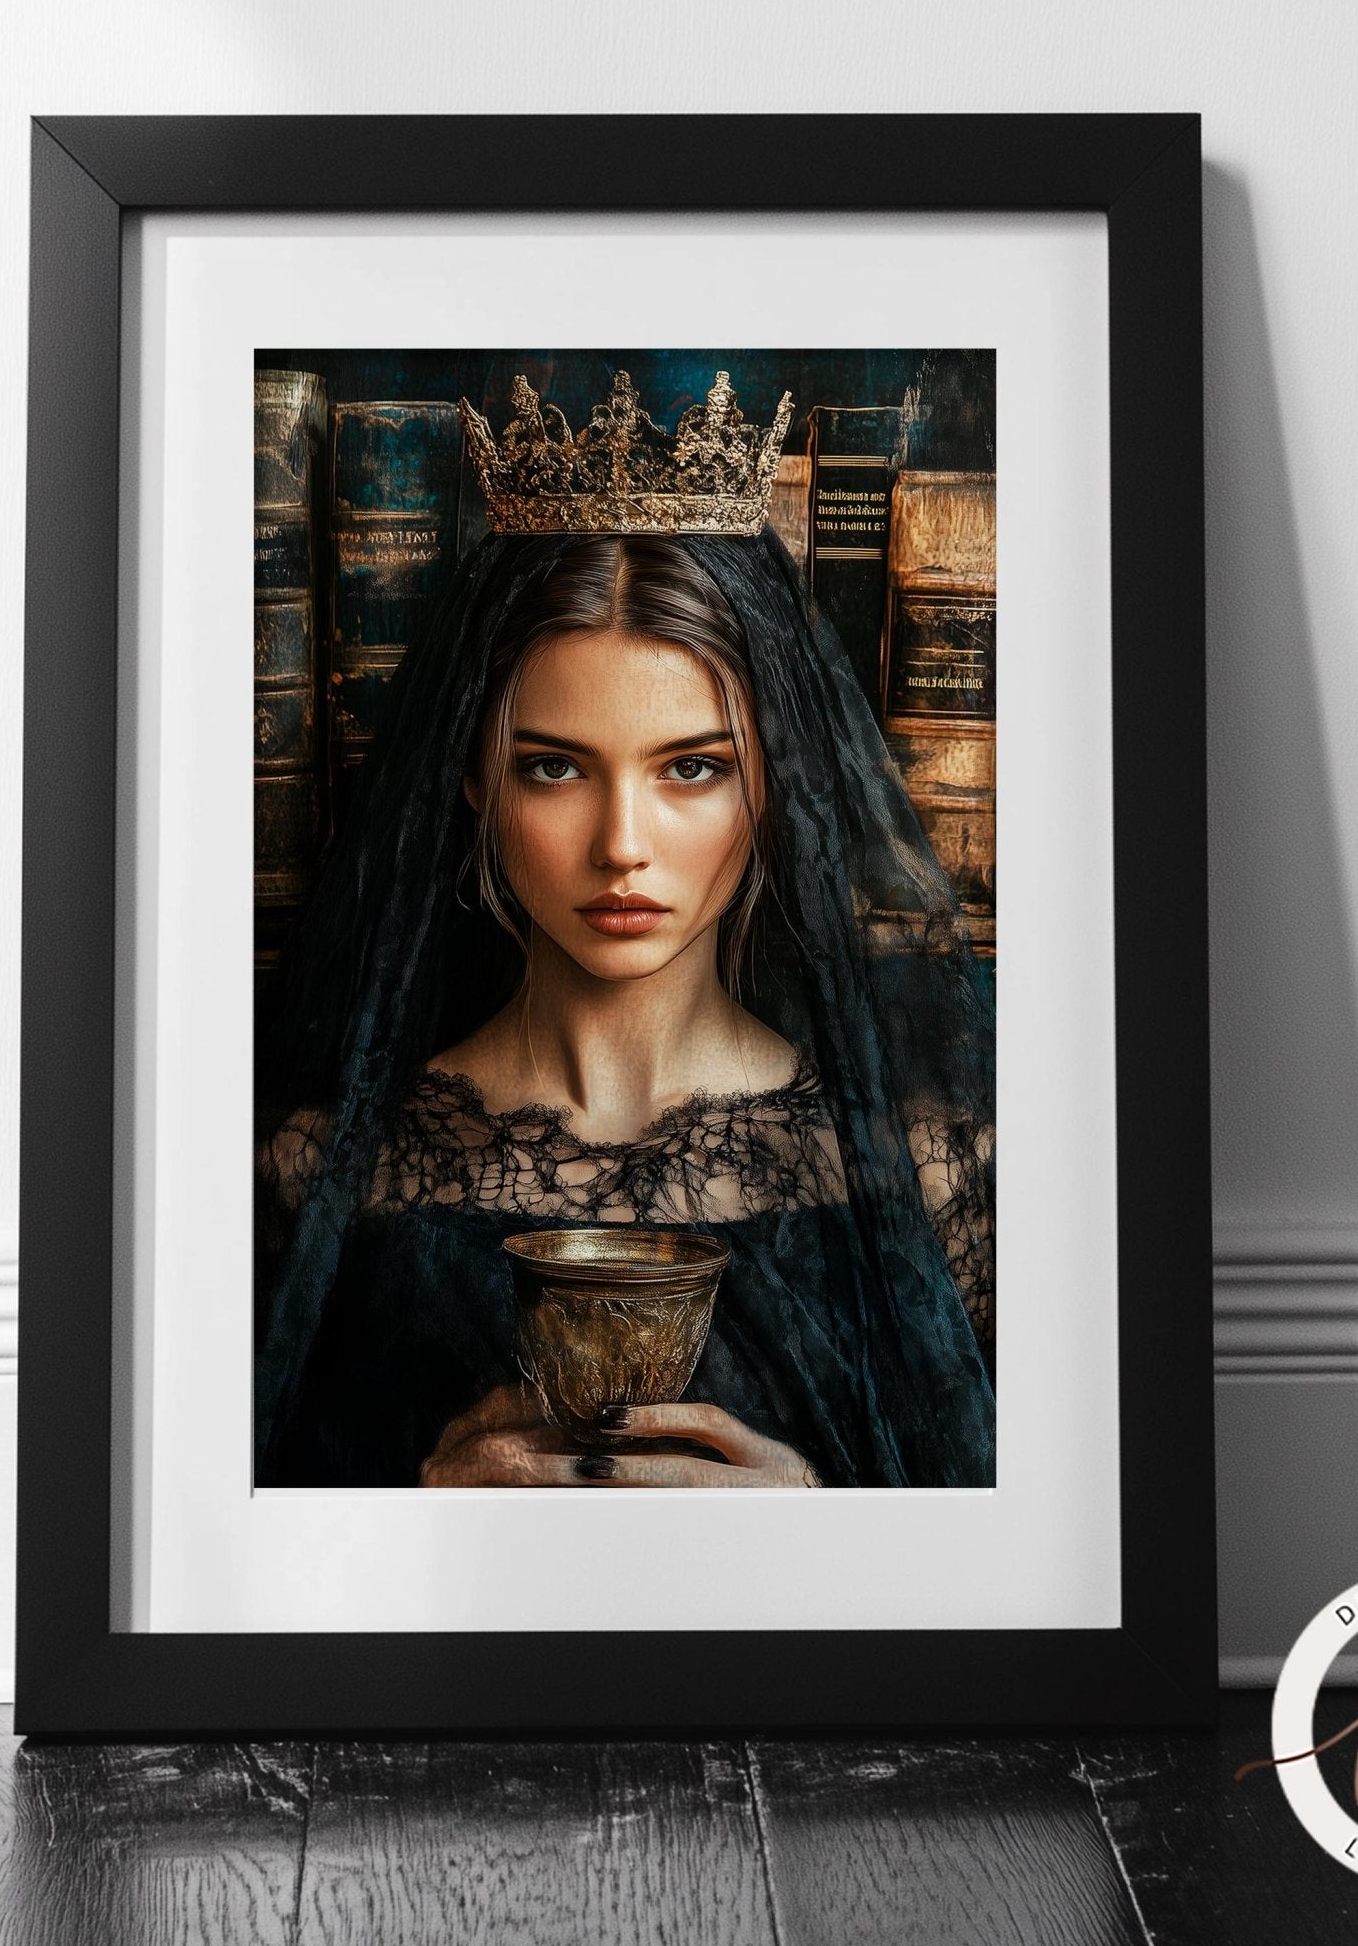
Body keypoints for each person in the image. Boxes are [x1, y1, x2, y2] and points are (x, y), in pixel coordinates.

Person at [254, 376, 994, 1489]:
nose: (620, 843)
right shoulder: (316, 1182)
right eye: (553, 766)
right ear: (470, 779)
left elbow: (1034, 1605)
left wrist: (814, 1527)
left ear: (771, 783)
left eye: (690, 768)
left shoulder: (931, 1183)